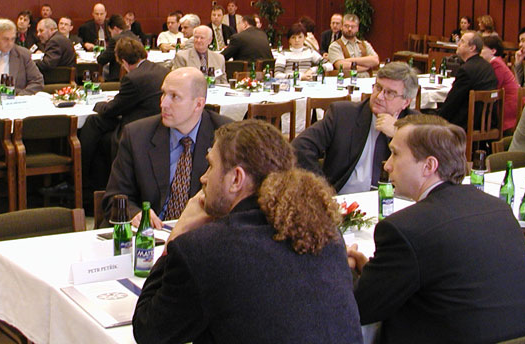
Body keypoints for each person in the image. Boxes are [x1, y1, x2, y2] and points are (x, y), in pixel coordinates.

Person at [133, 120, 363, 344]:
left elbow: (148, 331)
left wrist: (178, 233)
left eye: (211, 166)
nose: (203, 178)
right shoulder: (324, 232)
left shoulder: (205, 249)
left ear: (236, 179)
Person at [347, 115, 525, 344]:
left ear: (429, 166)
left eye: (395, 154)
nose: (387, 165)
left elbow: (358, 309)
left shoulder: (405, 229)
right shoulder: (499, 210)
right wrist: (378, 273)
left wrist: (344, 270)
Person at [102, 67, 233, 227]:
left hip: (202, 231)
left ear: (198, 104)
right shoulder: (137, 135)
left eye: (175, 97)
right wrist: (134, 213)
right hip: (151, 232)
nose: (163, 104)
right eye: (163, 94)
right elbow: (114, 197)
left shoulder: (226, 136)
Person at [293, 61, 418, 193]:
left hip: (394, 201)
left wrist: (398, 133)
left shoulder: (415, 126)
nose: (379, 97)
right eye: (378, 87)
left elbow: (425, 168)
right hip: (343, 199)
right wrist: (322, 188)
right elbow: (300, 147)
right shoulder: (344, 115)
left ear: (406, 102)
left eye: (390, 93)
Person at [78, 38, 170, 201]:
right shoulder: (162, 70)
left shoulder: (133, 78)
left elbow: (112, 109)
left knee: (96, 130)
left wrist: (97, 104)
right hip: (156, 123)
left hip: (138, 128)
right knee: (96, 125)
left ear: (124, 62)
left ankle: (84, 179)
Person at [436, 31, 497, 130]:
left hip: (468, 124)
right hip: (487, 122)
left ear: (472, 48)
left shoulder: (466, 70)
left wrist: (437, 119)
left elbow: (453, 101)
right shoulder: (487, 66)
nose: (458, 44)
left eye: (462, 41)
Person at [481, 35, 519, 131]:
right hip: (510, 102)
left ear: (493, 51)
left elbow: (493, 87)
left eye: (482, 49)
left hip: (508, 105)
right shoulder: (497, 62)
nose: (479, 51)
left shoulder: (496, 64)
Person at [97, 14, 139, 81]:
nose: (111, 35)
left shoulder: (115, 40)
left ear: (115, 29)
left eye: (110, 32)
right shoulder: (135, 37)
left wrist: (100, 54)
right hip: (135, 76)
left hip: (116, 78)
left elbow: (102, 59)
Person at [35, 17, 76, 82]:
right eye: (38, 31)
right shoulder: (60, 38)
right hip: (63, 78)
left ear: (51, 29)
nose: (38, 34)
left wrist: (31, 63)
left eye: (41, 31)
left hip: (58, 79)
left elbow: (48, 64)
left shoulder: (54, 41)